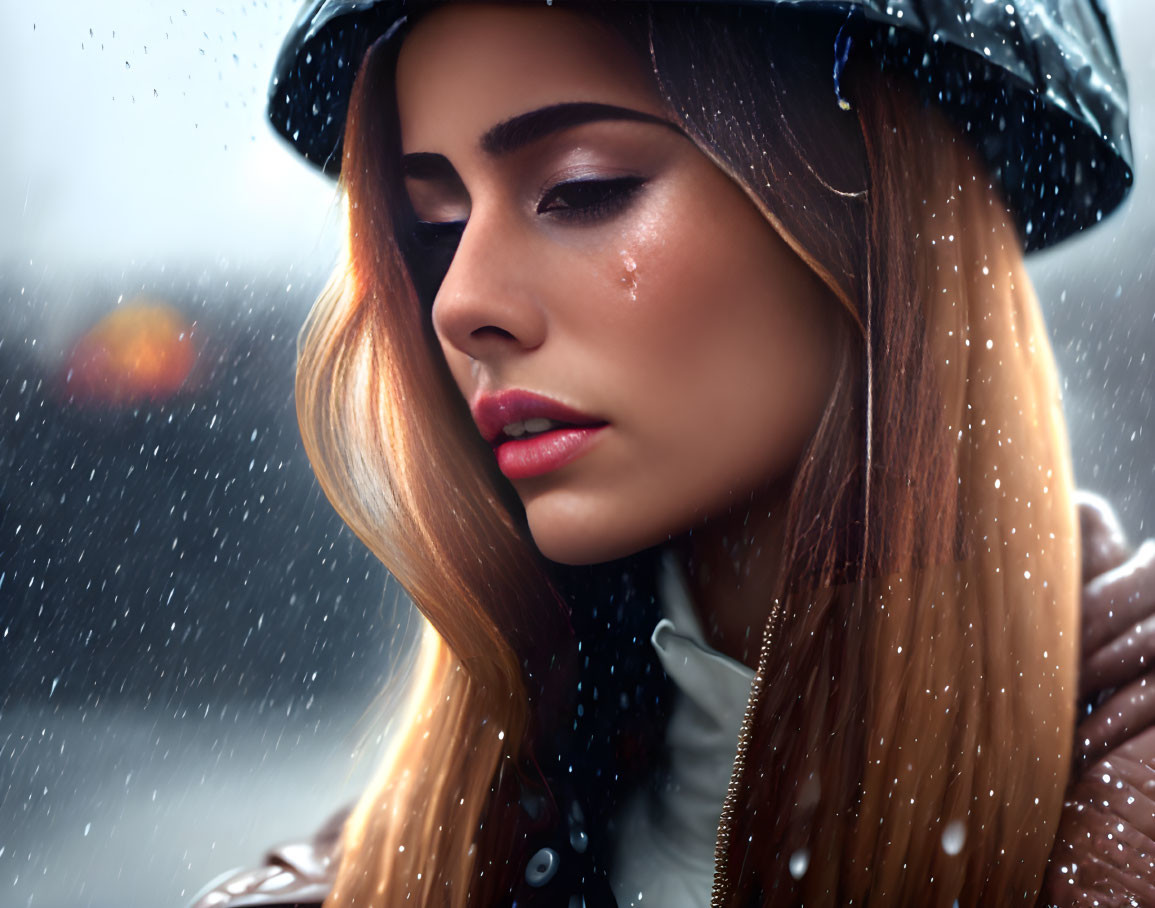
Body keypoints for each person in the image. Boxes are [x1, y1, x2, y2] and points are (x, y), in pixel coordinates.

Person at [193, 1, 1155, 905]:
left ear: (873, 215)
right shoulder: (381, 873)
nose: (458, 303)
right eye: (434, 231)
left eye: (581, 189)